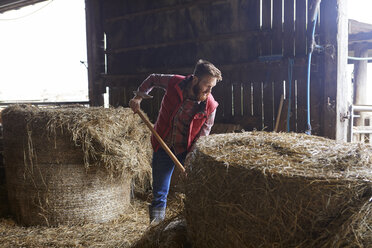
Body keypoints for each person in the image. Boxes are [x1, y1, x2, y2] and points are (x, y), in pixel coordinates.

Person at [129, 59, 222, 223]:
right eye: (207, 85)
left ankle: (193, 225)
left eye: (212, 86)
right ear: (195, 79)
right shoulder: (175, 82)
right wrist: (138, 97)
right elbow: (152, 78)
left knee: (194, 189)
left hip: (185, 150)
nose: (209, 90)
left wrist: (190, 159)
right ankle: (156, 229)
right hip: (163, 144)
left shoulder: (210, 106)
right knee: (159, 192)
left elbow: (202, 137)